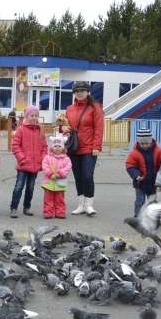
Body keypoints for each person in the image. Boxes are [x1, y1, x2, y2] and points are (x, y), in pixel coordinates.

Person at [62, 81, 104, 216]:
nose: (80, 93)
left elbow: (99, 128)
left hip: (89, 148)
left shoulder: (95, 107)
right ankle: (81, 205)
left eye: (82, 90)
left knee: (87, 175)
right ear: (74, 93)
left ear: (87, 92)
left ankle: (89, 205)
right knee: (78, 177)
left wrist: (96, 146)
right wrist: (62, 128)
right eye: (77, 91)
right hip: (74, 147)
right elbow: (63, 125)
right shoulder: (69, 109)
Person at [9, 105, 47, 218]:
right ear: (27, 116)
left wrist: (42, 159)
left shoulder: (40, 130)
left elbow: (44, 147)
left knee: (30, 188)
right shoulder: (21, 129)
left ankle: (27, 207)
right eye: (32, 115)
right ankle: (14, 208)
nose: (34, 118)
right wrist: (22, 159)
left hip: (35, 166)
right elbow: (15, 146)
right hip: (23, 165)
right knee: (19, 187)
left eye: (36, 115)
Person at [125, 127, 161, 216]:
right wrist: (136, 175)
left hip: (153, 182)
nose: (144, 145)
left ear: (151, 141)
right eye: (142, 143)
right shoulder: (134, 153)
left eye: (147, 143)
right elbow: (130, 165)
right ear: (138, 142)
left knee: (153, 201)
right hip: (140, 182)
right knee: (140, 200)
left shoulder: (159, 151)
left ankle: (155, 217)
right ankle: (138, 216)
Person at [41, 134, 72, 219]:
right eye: (55, 146)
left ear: (63, 148)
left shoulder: (66, 159)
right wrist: (50, 174)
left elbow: (68, 167)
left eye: (59, 146)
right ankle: (48, 213)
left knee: (60, 199)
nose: (57, 148)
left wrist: (60, 174)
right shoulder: (47, 157)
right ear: (52, 147)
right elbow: (45, 166)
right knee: (48, 199)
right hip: (49, 182)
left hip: (60, 182)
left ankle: (60, 212)